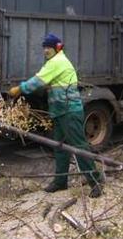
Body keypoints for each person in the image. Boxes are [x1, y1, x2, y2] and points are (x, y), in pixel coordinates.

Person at [9, 33, 103, 198]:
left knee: (79, 147)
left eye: (48, 48)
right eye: (44, 48)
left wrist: (20, 88)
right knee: (59, 147)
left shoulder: (58, 62)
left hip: (70, 111)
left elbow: (38, 81)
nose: (45, 51)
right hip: (60, 111)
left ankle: (95, 182)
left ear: (57, 48)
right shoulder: (55, 62)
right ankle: (60, 182)